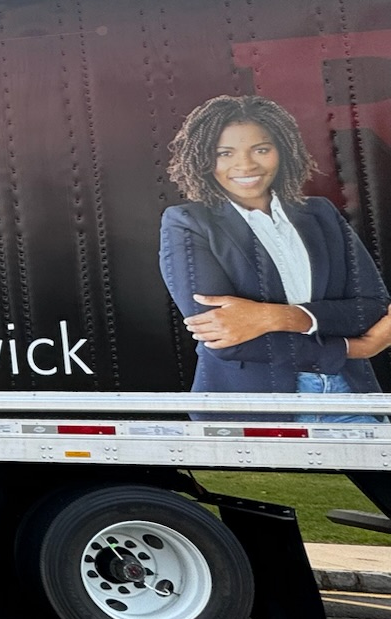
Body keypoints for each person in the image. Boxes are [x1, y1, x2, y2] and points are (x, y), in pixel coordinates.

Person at [158, 94, 391, 416]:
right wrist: (353, 348)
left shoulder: (320, 214)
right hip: (253, 404)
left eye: (261, 149)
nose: (246, 165)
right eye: (225, 153)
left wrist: (274, 317)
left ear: (283, 150)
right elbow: (227, 338)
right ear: (203, 160)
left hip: (347, 392)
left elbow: (373, 308)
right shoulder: (187, 223)